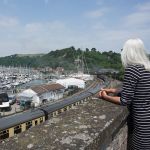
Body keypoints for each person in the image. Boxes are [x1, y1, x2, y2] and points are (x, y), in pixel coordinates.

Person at [99, 38, 150, 150]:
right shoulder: (147, 68)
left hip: (143, 125)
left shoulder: (132, 69)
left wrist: (105, 97)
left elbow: (125, 101)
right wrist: (113, 91)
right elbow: (140, 91)